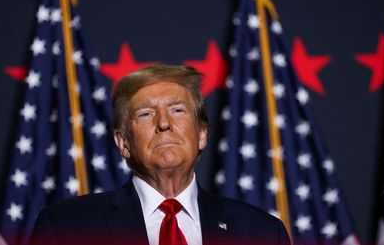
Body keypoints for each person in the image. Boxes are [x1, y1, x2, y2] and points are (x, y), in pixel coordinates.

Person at [32, 64, 290, 245]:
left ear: (201, 134)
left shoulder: (261, 232)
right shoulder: (67, 228)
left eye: (178, 110)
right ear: (123, 142)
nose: (163, 123)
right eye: (145, 114)